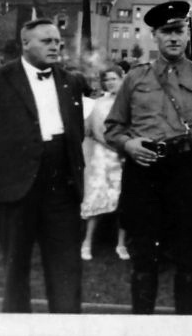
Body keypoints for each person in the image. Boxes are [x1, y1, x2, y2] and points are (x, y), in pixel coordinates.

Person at [104, 1, 192, 315]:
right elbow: (113, 127)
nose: (173, 38)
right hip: (145, 173)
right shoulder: (135, 77)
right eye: (165, 32)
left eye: (178, 31)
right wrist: (129, 145)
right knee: (144, 257)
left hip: (190, 173)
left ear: (187, 35)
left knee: (191, 258)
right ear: (154, 37)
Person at [0, 18, 86, 313]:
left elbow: (76, 131)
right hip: (15, 189)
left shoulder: (72, 81)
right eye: (47, 41)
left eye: (57, 41)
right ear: (25, 43)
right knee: (15, 270)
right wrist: (6, 158)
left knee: (66, 268)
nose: (55, 46)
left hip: (61, 189)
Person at [80, 66, 129, 261]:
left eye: (113, 79)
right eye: (106, 80)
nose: (110, 83)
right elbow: (90, 130)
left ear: (121, 79)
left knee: (123, 199)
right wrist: (106, 143)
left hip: (123, 155)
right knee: (97, 195)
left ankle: (121, 243)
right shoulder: (98, 104)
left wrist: (123, 149)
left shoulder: (130, 102)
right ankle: (87, 242)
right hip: (102, 155)